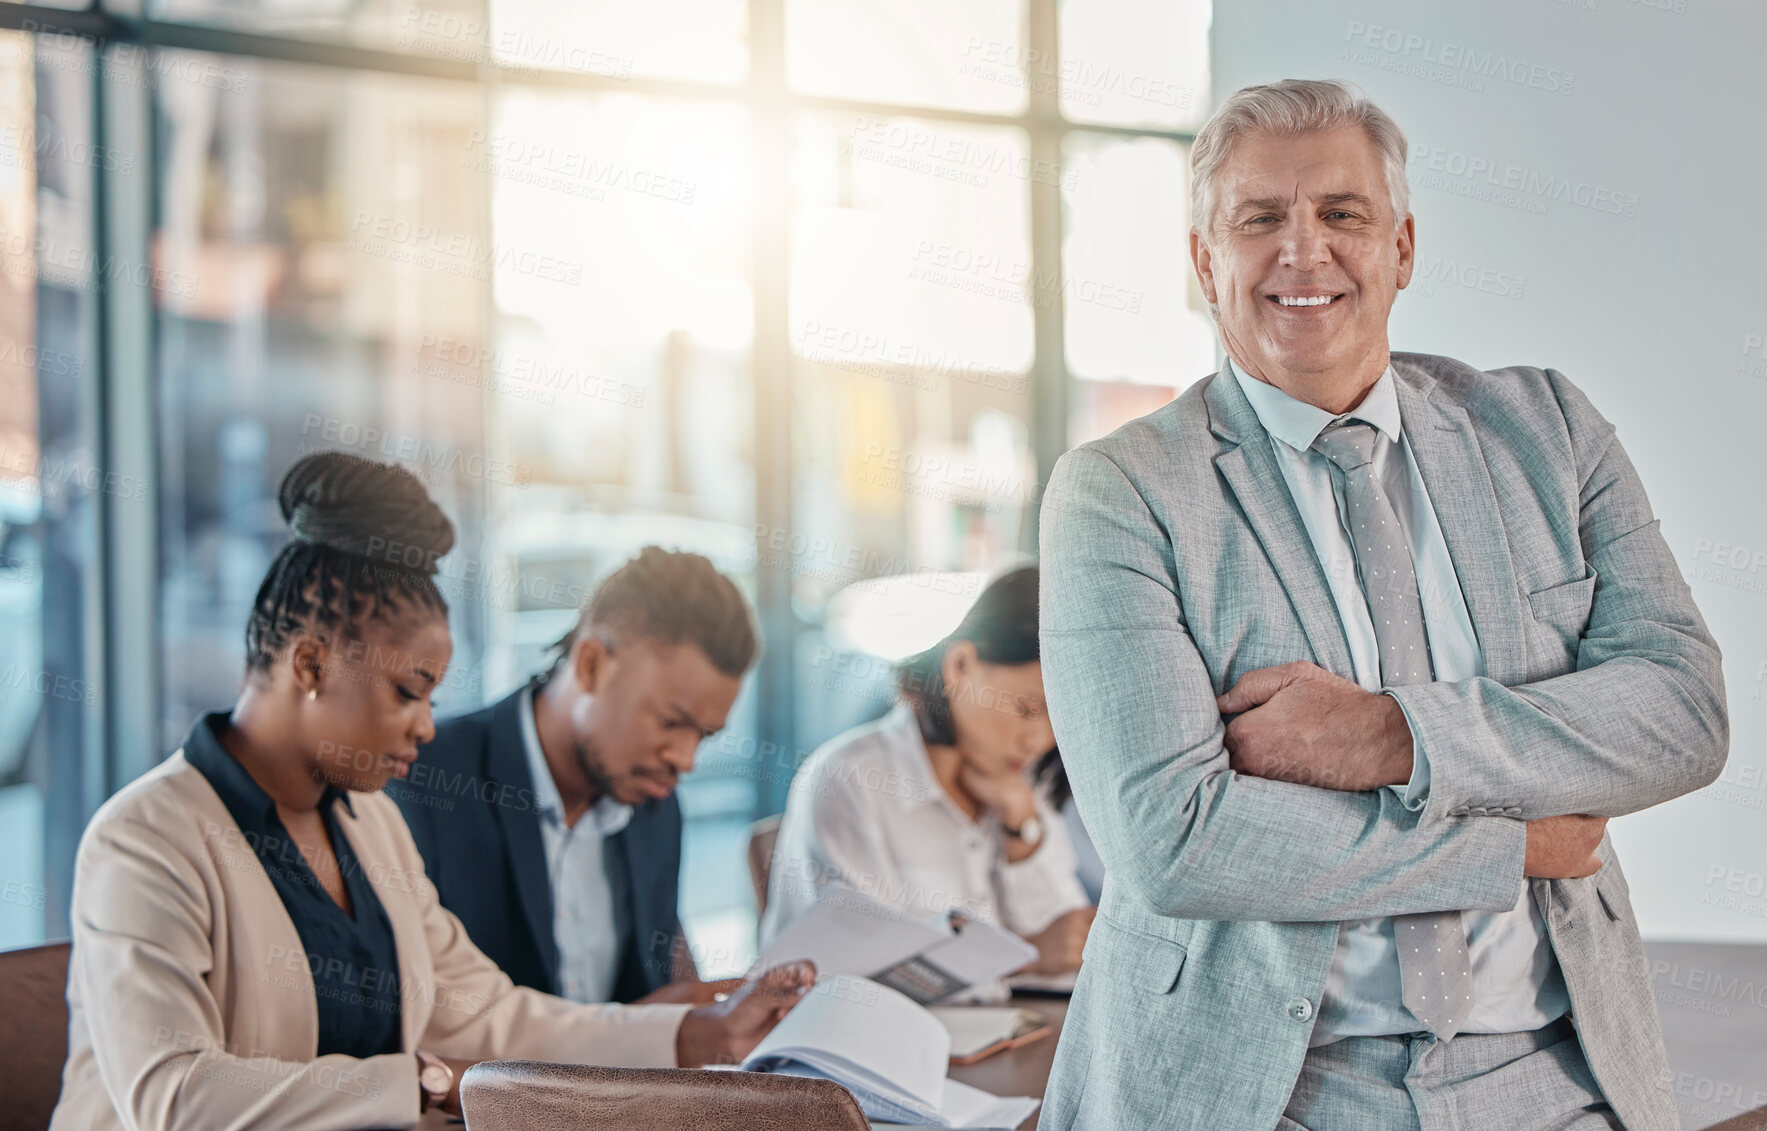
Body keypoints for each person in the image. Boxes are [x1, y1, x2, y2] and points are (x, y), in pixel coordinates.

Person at [1036, 79, 1728, 1131]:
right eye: (1259, 219)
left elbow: (1681, 713)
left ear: (1401, 248)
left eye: (1342, 215)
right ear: (1202, 262)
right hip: (1266, 1093)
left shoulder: (1549, 431)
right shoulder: (1120, 491)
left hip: (1556, 1080)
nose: (1302, 252)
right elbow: (1175, 840)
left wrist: (1392, 737)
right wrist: (1509, 848)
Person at [51, 453, 813, 1131]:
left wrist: (701, 1032)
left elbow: (491, 1015)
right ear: (311, 666)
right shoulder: (146, 836)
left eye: (433, 699)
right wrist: (422, 1082)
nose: (424, 728)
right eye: (408, 692)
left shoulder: (369, 825)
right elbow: (174, 1098)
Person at [397, 547, 756, 1006]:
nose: (685, 759)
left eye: (704, 736)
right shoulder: (427, 782)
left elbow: (662, 973)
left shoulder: (655, 807)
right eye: (670, 721)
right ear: (591, 666)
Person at [762, 566, 1094, 987]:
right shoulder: (852, 780)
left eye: (1059, 724)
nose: (1039, 741)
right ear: (960, 666)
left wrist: (1021, 828)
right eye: (1028, 710)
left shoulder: (1023, 786)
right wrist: (1025, 956)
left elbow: (1072, 948)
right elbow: (857, 980)